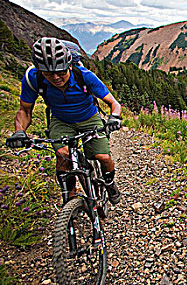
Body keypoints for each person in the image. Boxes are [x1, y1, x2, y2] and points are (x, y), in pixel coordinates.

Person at [6, 37, 122, 204]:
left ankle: (110, 183)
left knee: (103, 157)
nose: (55, 77)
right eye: (48, 73)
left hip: (89, 117)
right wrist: (19, 132)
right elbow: (25, 110)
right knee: (63, 156)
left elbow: (113, 103)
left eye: (61, 71)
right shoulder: (33, 78)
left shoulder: (84, 76)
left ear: (69, 65)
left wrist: (114, 118)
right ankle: (70, 198)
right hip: (61, 120)